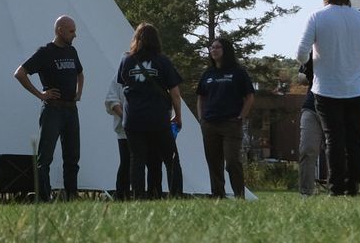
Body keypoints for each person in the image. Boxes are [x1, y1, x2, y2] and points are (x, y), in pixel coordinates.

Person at [295, 0, 360, 197]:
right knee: (353, 140)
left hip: (326, 88)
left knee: (334, 140)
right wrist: (351, 59)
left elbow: (301, 54)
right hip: (354, 89)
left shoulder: (317, 17)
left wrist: (319, 57)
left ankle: (336, 188)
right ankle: (354, 187)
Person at [14, 16, 83, 202]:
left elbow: (80, 72)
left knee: (72, 156)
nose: (75, 35)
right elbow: (20, 73)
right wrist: (40, 94)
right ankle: (44, 196)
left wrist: (79, 91)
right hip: (53, 109)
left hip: (71, 110)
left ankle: (71, 195)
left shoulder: (72, 51)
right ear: (59, 30)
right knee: (45, 157)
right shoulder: (46, 52)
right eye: (71, 31)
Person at [117, 23, 182, 199]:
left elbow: (124, 84)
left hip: (133, 119)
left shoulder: (126, 60)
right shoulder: (163, 61)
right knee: (170, 158)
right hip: (158, 118)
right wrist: (178, 116)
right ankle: (174, 195)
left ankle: (139, 197)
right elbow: (175, 94)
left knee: (137, 160)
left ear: (136, 39)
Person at [196, 35, 255, 199]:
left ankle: (239, 195)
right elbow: (201, 97)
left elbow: (249, 97)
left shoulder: (238, 72)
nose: (213, 50)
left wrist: (240, 116)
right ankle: (218, 196)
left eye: (217, 47)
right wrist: (202, 119)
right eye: (212, 47)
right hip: (210, 124)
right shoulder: (208, 73)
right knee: (214, 162)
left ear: (226, 50)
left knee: (231, 161)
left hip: (231, 124)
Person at [297, 58, 328, 196]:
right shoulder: (314, 50)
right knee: (307, 149)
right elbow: (301, 78)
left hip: (338, 107)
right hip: (312, 106)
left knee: (337, 152)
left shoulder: (347, 46)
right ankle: (306, 193)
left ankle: (338, 191)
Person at [102, 78, 130, 199]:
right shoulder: (119, 76)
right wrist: (126, 118)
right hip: (125, 130)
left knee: (147, 163)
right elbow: (112, 101)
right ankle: (122, 196)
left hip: (146, 127)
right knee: (126, 162)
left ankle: (145, 195)